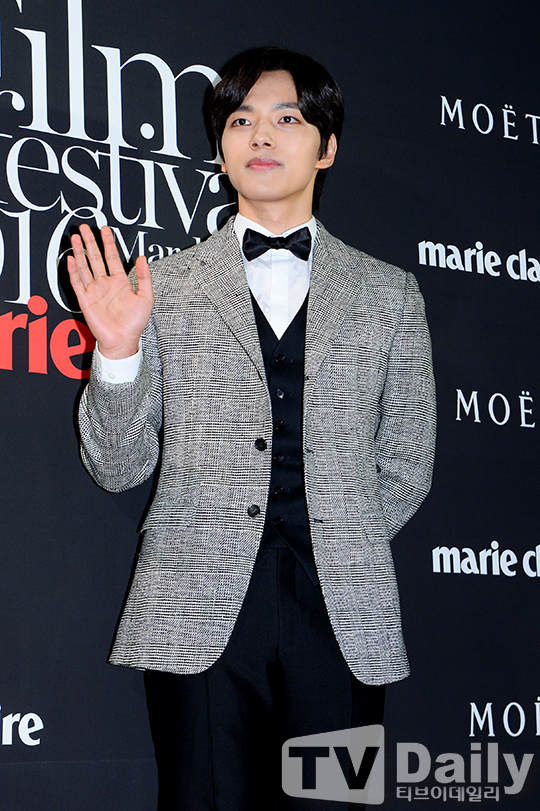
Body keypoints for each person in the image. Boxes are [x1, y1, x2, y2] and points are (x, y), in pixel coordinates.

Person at [68, 46, 436, 811]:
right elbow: (117, 464)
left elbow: (407, 461)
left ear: (326, 147)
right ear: (221, 148)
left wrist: (344, 535)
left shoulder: (389, 294)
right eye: (240, 120)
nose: (260, 135)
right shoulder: (159, 288)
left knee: (337, 799)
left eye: (287, 119)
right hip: (194, 607)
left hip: (344, 617)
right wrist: (118, 349)